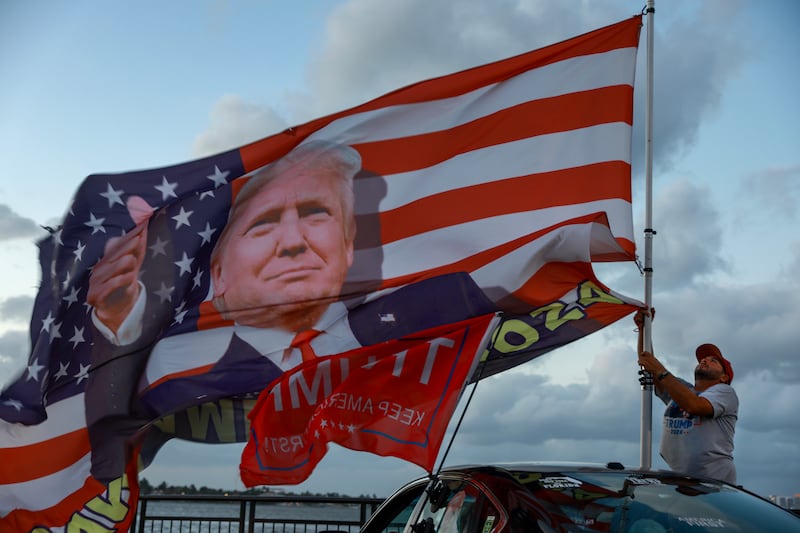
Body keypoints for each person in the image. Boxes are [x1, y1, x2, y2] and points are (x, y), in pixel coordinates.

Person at [634, 310, 738, 484]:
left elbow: (695, 406)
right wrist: (644, 328)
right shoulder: (683, 390)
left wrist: (660, 370)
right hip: (681, 478)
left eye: (713, 360)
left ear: (724, 377)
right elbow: (650, 366)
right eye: (703, 358)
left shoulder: (725, 392)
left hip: (713, 481)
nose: (704, 360)